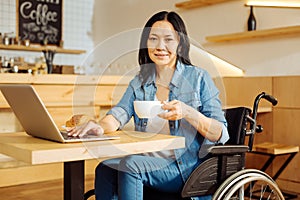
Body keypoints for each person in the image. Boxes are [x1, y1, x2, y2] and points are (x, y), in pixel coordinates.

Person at [68, 11, 229, 200]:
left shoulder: (199, 78)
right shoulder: (140, 82)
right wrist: (99, 126)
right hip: (147, 161)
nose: (160, 46)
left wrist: (187, 112)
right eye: (153, 39)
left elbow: (221, 132)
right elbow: (119, 113)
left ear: (180, 43)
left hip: (186, 168)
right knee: (105, 168)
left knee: (130, 165)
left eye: (168, 40)